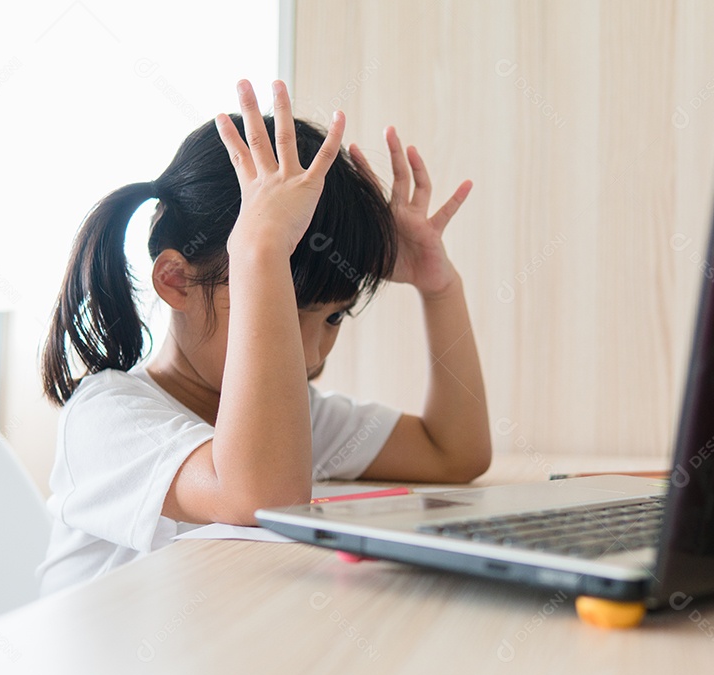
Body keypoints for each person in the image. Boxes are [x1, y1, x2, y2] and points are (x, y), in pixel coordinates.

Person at [36, 79, 491, 593]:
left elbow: (453, 452)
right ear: (175, 280)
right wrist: (260, 252)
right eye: (280, 304)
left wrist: (440, 288)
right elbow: (258, 495)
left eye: (334, 318)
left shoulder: (297, 417)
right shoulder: (107, 417)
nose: (313, 355)